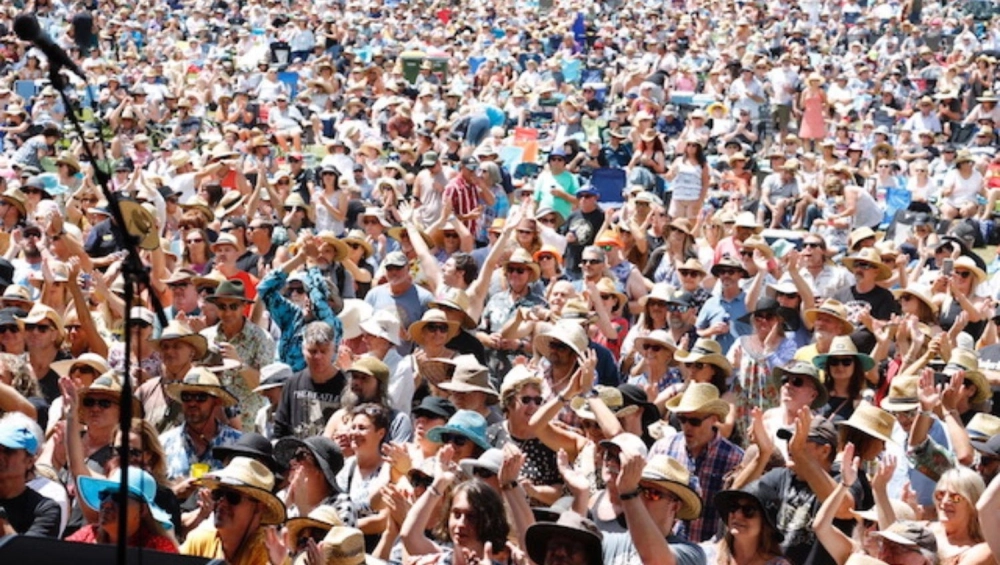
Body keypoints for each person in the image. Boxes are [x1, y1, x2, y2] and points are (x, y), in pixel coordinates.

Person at [652, 383, 744, 542]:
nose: (687, 426)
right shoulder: (663, 449)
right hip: (665, 547)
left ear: (714, 419)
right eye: (682, 419)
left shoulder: (734, 458)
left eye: (694, 421)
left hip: (712, 553)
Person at [180, 457, 287, 565]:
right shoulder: (200, 541)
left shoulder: (269, 554)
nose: (222, 503)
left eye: (233, 497)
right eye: (218, 494)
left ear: (259, 508)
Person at [159, 367, 242, 482]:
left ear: (216, 401)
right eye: (186, 397)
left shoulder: (238, 444)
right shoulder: (163, 444)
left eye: (200, 397)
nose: (192, 403)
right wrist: (175, 492)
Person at [69, 467, 177, 552]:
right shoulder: (86, 536)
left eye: (119, 497)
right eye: (104, 495)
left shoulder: (158, 548)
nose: (107, 503)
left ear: (141, 510)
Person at [273, 321, 347, 439]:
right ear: (303, 350)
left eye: (323, 351)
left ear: (334, 350)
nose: (318, 357)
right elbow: (281, 426)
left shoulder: (347, 385)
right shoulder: (293, 383)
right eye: (312, 351)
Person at [0, 413, 60, 536]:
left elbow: (26, 553)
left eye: (8, 451)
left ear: (29, 461)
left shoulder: (45, 509)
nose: (0, 456)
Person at [709, 483, 791, 565]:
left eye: (748, 510)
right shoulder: (705, 556)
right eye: (733, 507)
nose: (738, 515)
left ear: (765, 522)